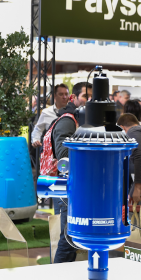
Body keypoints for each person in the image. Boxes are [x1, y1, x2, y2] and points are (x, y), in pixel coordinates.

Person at [48, 82, 91, 263]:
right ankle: (58, 274)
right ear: (74, 98)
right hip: (65, 185)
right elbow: (63, 155)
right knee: (69, 237)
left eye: (92, 97)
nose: (89, 100)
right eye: (85, 96)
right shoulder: (68, 120)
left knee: (68, 236)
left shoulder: (78, 120)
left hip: (70, 185)